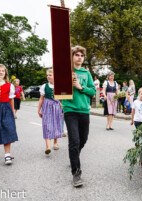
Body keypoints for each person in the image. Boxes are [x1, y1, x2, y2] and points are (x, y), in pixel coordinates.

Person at [62, 45, 96, 187]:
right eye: (77, 55)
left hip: (84, 110)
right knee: (74, 141)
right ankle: (76, 172)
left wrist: (80, 87)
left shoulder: (86, 73)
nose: (79, 57)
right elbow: (59, 92)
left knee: (83, 139)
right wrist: (68, 83)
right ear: (72, 57)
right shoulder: (65, 72)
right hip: (70, 109)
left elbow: (93, 91)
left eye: (82, 55)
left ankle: (73, 157)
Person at [37, 69, 63, 155]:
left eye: (50, 75)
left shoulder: (60, 85)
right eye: (47, 75)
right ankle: (47, 146)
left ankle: (55, 143)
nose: (48, 76)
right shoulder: (44, 86)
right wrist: (39, 110)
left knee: (56, 124)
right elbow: (41, 99)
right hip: (47, 106)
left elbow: (63, 99)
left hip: (57, 106)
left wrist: (63, 110)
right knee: (46, 125)